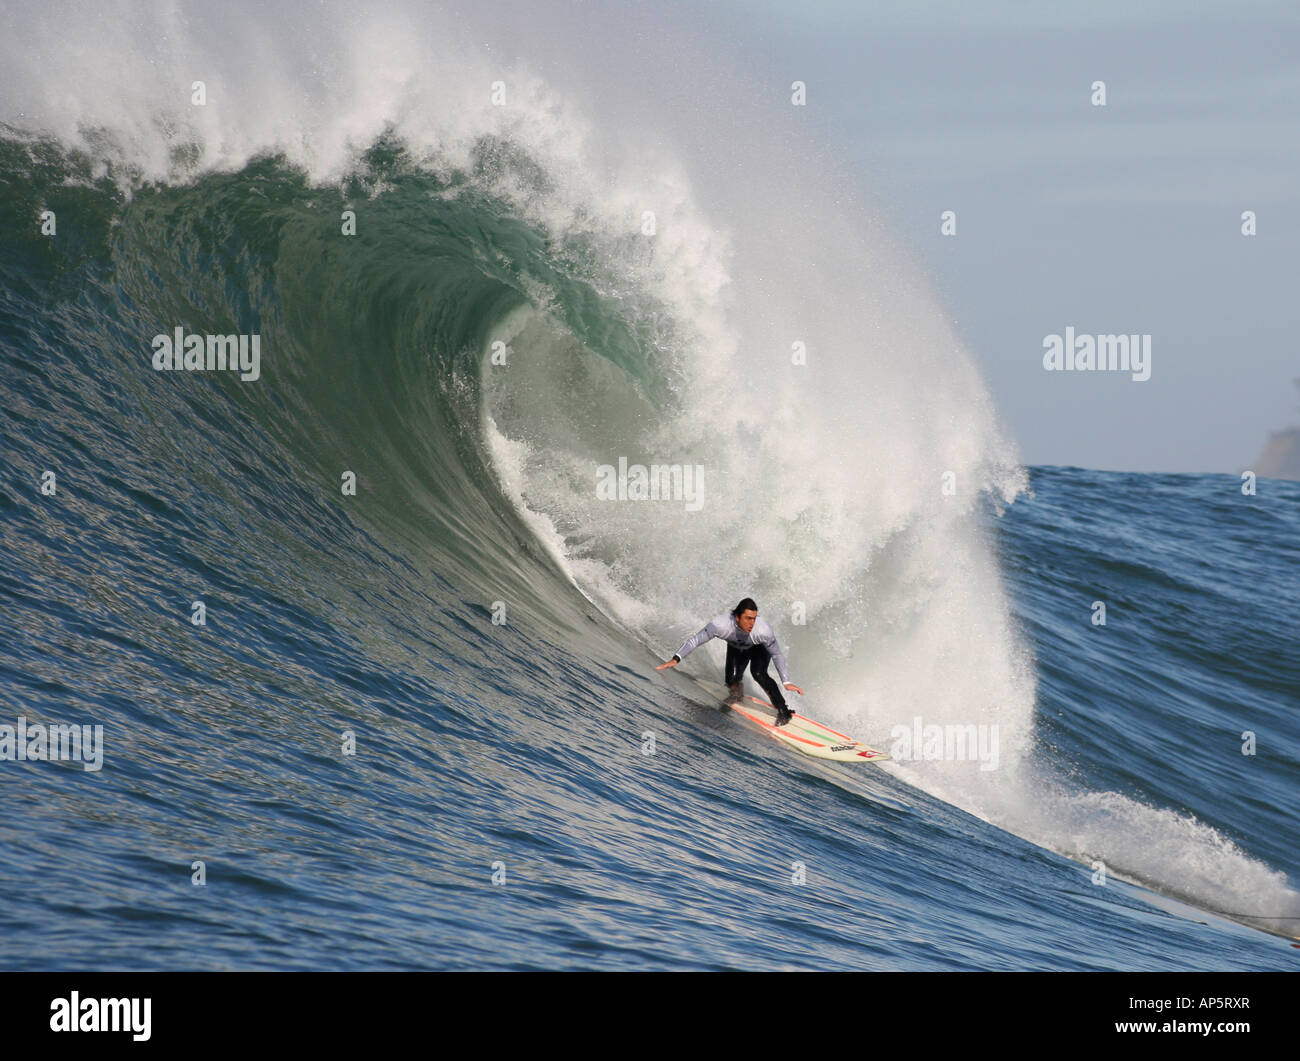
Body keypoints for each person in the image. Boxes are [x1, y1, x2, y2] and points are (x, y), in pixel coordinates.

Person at [657, 597, 804, 725]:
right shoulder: (720, 625)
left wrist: (786, 681)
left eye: (754, 618)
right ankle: (736, 691)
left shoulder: (762, 631)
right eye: (748, 618)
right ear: (737, 617)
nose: (752, 623)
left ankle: (784, 711)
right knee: (730, 679)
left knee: (758, 673)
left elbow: (777, 654)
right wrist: (676, 659)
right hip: (736, 646)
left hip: (758, 648)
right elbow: (695, 640)